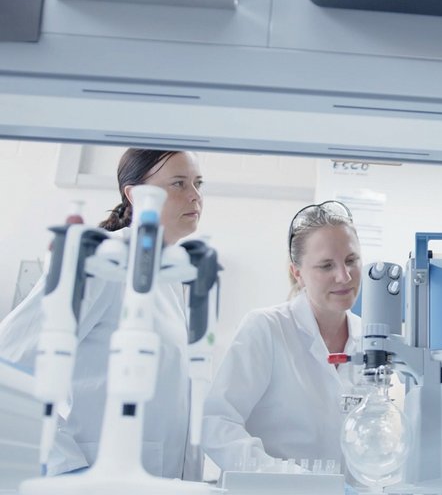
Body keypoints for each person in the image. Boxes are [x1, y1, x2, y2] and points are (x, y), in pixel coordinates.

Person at [0, 149, 205, 479]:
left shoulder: (171, 278)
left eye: (198, 183)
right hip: (99, 479)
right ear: (135, 195)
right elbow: (8, 364)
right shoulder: (102, 262)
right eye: (179, 183)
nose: (195, 196)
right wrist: (68, 468)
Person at [202, 200, 362, 473]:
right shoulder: (266, 328)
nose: (344, 276)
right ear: (297, 273)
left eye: (351, 260)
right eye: (326, 266)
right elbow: (216, 424)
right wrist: (290, 479)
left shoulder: (370, 339)